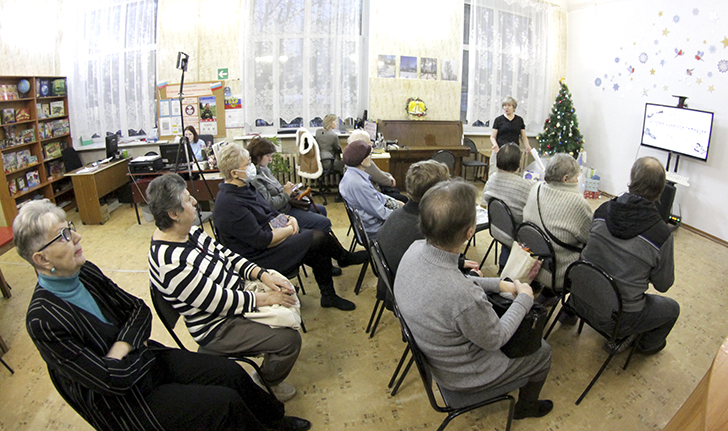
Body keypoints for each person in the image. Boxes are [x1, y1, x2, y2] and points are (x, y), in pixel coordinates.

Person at [18, 200, 311, 431]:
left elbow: (139, 311)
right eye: (63, 235)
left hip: (145, 360)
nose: (77, 236)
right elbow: (109, 380)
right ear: (41, 258)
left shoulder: (85, 271)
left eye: (69, 227)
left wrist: (120, 348)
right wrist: (132, 345)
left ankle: (274, 420)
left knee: (231, 373)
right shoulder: (44, 319)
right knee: (224, 402)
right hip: (125, 401)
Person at [394, 181, 553, 419]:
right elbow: (496, 338)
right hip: (463, 375)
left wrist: (499, 284)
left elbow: (452, 281)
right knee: (543, 352)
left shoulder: (415, 250)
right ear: (470, 232)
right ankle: (526, 407)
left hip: (436, 352)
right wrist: (524, 299)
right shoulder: (463, 296)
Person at [146, 174, 303, 402]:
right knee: (289, 340)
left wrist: (262, 275)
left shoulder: (189, 230)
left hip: (237, 296)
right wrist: (266, 299)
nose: (194, 202)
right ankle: (265, 385)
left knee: (287, 294)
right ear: (173, 214)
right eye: (188, 199)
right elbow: (218, 301)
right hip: (218, 325)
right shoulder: (170, 262)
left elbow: (227, 255)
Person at [212, 144, 367, 311]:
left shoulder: (245, 188)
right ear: (234, 173)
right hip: (257, 258)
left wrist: (289, 218)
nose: (252, 166)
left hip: (270, 237)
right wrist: (289, 229)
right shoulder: (230, 203)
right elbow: (263, 240)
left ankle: (329, 293)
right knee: (318, 238)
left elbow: (270, 213)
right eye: (247, 163)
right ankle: (343, 259)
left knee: (317, 243)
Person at [578, 157, 679, 355]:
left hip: (580, 300)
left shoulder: (603, 210)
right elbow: (663, 285)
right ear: (660, 190)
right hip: (618, 318)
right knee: (672, 309)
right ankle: (641, 345)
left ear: (631, 179)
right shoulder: (661, 235)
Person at [523, 153, 592, 298]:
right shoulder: (578, 202)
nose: (577, 180)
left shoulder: (536, 188)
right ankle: (569, 306)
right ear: (565, 179)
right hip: (557, 272)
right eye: (576, 177)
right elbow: (590, 237)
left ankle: (547, 295)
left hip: (533, 261)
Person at [247, 136, 331, 232]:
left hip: (285, 207)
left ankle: (316, 236)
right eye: (268, 156)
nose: (270, 159)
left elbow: (275, 189)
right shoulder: (255, 179)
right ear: (258, 156)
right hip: (277, 216)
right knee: (324, 222)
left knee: (322, 209)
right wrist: (286, 193)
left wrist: (289, 189)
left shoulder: (263, 169)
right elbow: (269, 204)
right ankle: (310, 237)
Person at [482, 142, 536, 270]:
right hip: (517, 235)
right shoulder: (527, 186)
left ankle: (503, 265)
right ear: (519, 163)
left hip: (497, 228)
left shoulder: (491, 179)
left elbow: (484, 203)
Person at [338, 140, 403, 241]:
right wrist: (402, 214)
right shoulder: (359, 184)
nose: (370, 158)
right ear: (362, 161)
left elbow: (375, 195)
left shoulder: (351, 174)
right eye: (368, 155)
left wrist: (393, 201)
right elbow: (381, 213)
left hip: (370, 223)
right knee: (412, 225)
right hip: (375, 230)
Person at [348, 129, 407, 202]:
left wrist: (388, 175)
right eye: (369, 141)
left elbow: (378, 173)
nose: (371, 143)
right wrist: (391, 181)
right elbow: (381, 178)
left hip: (371, 194)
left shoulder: (352, 159)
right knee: (403, 198)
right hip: (374, 195)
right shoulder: (363, 160)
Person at [489, 96, 532, 177]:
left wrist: (527, 146)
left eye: (509, 105)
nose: (506, 107)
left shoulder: (519, 120)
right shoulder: (498, 120)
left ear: (514, 107)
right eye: (505, 105)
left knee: (513, 172)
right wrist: (495, 145)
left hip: (514, 150)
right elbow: (493, 136)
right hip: (500, 149)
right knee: (493, 171)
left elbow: (523, 136)